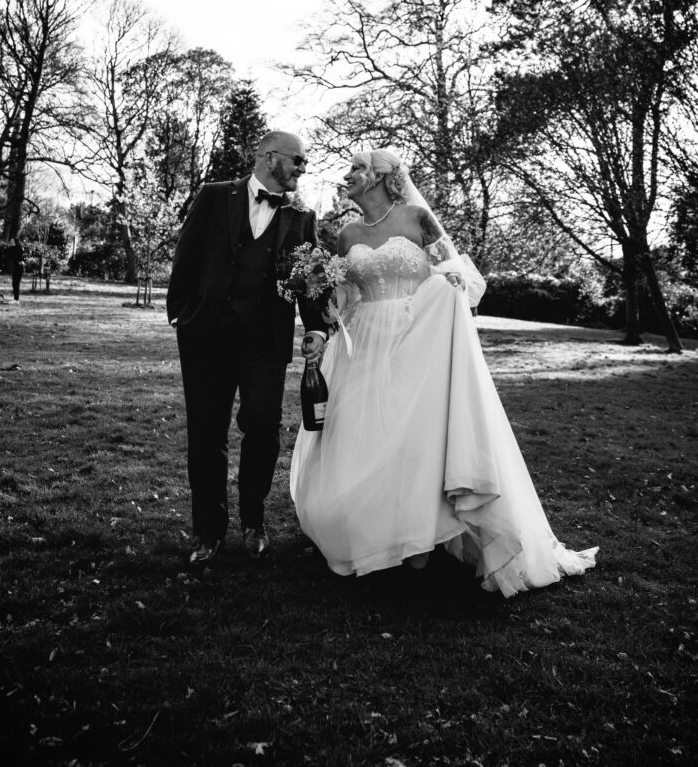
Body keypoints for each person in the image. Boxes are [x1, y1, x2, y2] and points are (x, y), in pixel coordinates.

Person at [290, 149, 598, 597]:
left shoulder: (418, 218)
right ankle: (371, 533)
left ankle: (417, 539)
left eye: (356, 169)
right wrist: (323, 305)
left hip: (420, 339)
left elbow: (459, 275)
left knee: (414, 437)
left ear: (379, 177)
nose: (347, 175)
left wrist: (446, 287)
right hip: (364, 344)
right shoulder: (346, 233)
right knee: (361, 435)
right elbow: (347, 297)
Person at [167, 131, 329, 566]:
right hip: (205, 336)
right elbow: (187, 255)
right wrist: (181, 313)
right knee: (206, 433)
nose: (303, 168)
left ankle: (253, 521)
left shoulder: (301, 216)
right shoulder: (215, 196)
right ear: (269, 157)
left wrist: (317, 327)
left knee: (262, 427)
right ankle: (208, 531)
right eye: (298, 160)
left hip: (265, 341)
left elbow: (310, 278)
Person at [6, 236, 25, 303]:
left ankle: (16, 299)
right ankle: (15, 298)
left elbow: (18, 257)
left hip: (19, 267)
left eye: (12, 241)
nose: (10, 242)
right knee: (14, 283)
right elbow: (8, 255)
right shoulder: (12, 248)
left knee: (16, 283)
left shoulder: (19, 249)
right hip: (15, 267)